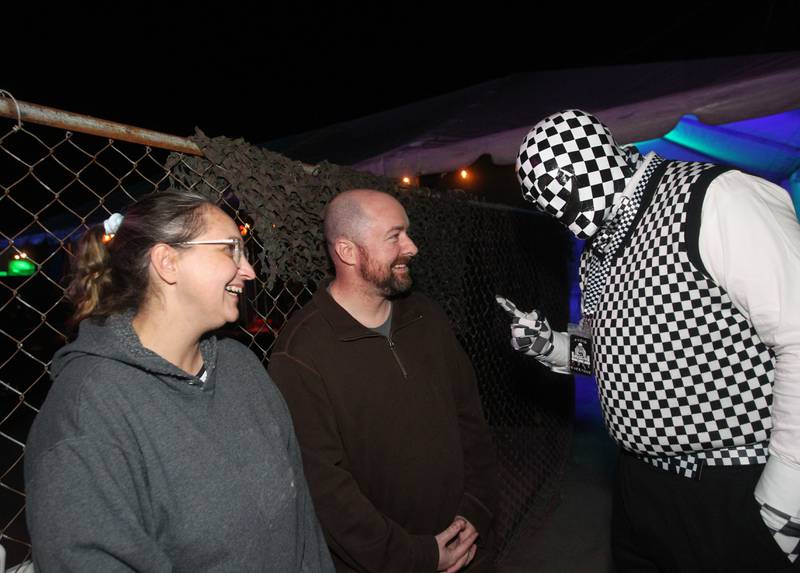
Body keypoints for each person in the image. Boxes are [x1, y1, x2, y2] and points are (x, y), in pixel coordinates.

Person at [499, 109, 800, 572]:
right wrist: (549, 345)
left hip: (733, 481)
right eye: (547, 206)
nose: (562, 216)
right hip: (640, 488)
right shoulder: (598, 249)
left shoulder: (716, 197)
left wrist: (787, 494)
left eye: (563, 194)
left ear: (597, 159)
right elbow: (608, 354)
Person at [24, 190, 334, 572]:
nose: (249, 270)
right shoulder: (87, 411)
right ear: (167, 262)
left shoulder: (242, 367)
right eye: (230, 250)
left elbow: (302, 522)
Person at [268, 189, 498, 573]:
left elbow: (471, 420)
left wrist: (477, 511)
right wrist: (415, 556)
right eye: (395, 236)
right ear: (348, 251)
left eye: (407, 233)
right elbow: (325, 488)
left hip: (469, 546)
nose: (412, 247)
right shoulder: (300, 353)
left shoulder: (426, 316)